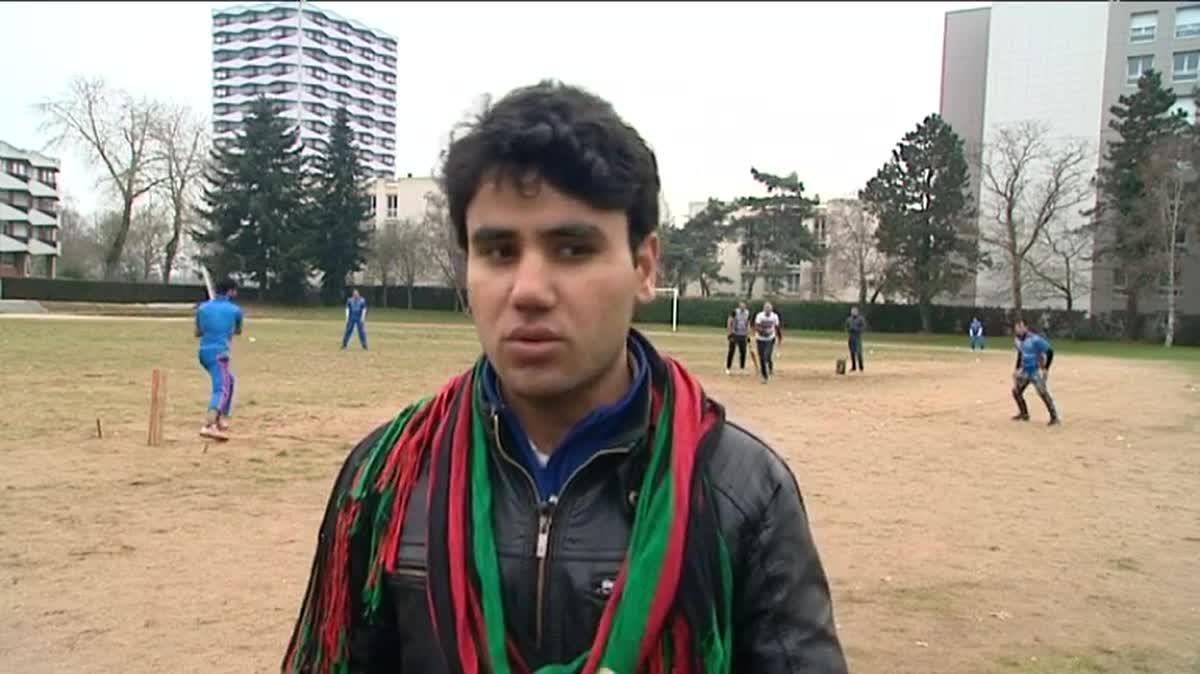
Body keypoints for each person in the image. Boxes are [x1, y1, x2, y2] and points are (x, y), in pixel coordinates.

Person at [282, 80, 846, 674]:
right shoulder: (387, 481)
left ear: (644, 266)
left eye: (572, 249)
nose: (528, 290)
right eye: (498, 251)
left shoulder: (741, 492)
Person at [194, 278, 243, 441]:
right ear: (230, 291)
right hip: (219, 354)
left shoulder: (202, 308)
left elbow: (198, 332)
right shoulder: (235, 310)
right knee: (221, 388)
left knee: (230, 380)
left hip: (203, 352)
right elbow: (237, 331)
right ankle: (209, 425)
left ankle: (221, 417)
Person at [1012, 320, 1060, 426]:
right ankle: (1024, 414)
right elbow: (1020, 355)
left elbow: (1050, 352)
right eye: (1016, 328)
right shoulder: (1019, 340)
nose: (1018, 330)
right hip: (1025, 371)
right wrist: (1016, 369)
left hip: (1035, 371)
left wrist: (1046, 368)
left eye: (1020, 327)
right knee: (1016, 391)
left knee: (1043, 393)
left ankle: (1054, 417)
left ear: (1025, 327)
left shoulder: (1035, 339)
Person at [725, 300, 750, 374]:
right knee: (731, 351)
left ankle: (742, 368)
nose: (742, 307)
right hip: (734, 334)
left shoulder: (747, 313)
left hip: (743, 335)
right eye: (741, 305)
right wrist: (729, 333)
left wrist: (748, 335)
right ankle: (728, 368)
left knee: (743, 352)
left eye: (744, 306)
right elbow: (729, 321)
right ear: (739, 306)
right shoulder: (735, 312)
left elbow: (747, 323)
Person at [845, 306, 866, 372]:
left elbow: (863, 327)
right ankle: (853, 367)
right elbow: (846, 327)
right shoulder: (849, 319)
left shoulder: (861, 319)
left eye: (854, 311)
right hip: (851, 337)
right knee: (852, 353)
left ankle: (861, 367)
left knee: (859, 353)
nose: (853, 312)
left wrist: (857, 330)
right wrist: (849, 330)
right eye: (852, 311)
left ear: (857, 312)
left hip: (858, 337)